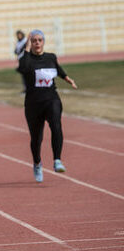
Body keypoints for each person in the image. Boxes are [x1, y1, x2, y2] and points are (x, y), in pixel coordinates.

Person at [18, 29, 77, 183]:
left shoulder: (51, 57)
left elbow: (57, 69)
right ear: (30, 43)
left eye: (40, 40)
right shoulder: (27, 59)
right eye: (34, 40)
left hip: (52, 99)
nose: (37, 43)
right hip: (33, 104)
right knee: (36, 138)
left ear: (44, 41)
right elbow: (23, 69)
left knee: (56, 126)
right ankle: (37, 163)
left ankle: (57, 160)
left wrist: (66, 78)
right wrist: (25, 49)